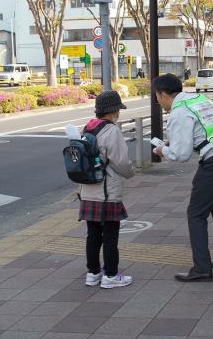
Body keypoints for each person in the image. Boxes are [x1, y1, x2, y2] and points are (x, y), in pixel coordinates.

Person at [152, 73, 213, 282]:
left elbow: (181, 155)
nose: (157, 101)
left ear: (163, 94)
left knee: (196, 213)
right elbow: (202, 131)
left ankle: (202, 269)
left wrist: (162, 151)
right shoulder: (199, 99)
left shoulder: (178, 112)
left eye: (156, 97)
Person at [79, 90, 134, 289]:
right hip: (107, 193)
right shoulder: (111, 131)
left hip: (87, 191)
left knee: (93, 235)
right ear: (113, 111)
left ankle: (92, 273)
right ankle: (111, 275)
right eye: (118, 110)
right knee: (110, 236)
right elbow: (121, 163)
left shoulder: (87, 129)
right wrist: (131, 172)